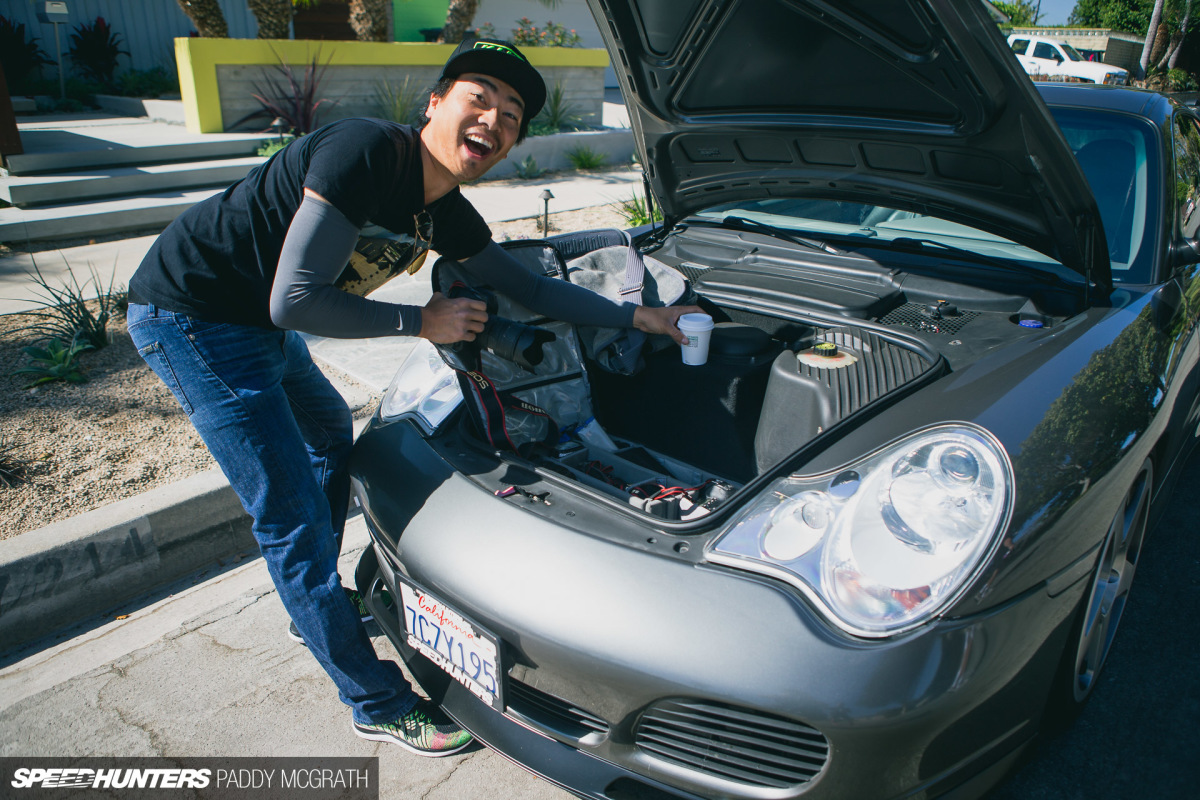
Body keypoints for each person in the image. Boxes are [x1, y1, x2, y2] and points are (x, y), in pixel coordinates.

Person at [124, 38, 697, 758]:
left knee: (333, 432)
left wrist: (641, 316)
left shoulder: (445, 211)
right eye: (478, 98)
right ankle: (376, 700)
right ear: (434, 105)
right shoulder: (364, 152)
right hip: (195, 317)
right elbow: (296, 299)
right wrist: (421, 322)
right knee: (290, 518)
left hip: (253, 319)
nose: (494, 118)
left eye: (512, 114)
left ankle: (317, 610)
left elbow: (528, 287)